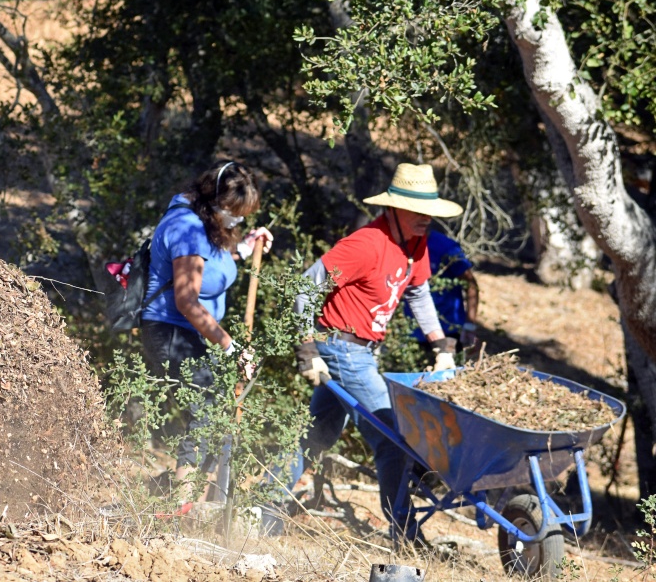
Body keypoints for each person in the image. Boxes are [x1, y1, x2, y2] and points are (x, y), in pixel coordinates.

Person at [293, 163, 462, 544]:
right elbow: (304, 286)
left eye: (430, 213)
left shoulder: (416, 243)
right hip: (341, 347)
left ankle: (263, 503)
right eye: (419, 212)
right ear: (394, 209)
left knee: (317, 432)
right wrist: (307, 347)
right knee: (393, 435)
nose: (426, 220)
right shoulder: (366, 244)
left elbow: (418, 293)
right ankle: (404, 532)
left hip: (363, 351)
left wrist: (440, 345)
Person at [140, 161, 273, 499]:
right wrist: (232, 348)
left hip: (194, 335)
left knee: (218, 411)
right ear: (211, 198)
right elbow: (187, 301)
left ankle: (187, 494)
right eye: (233, 212)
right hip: (171, 331)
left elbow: (214, 262)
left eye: (242, 216)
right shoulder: (186, 228)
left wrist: (245, 246)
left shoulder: (206, 223)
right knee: (208, 410)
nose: (237, 221)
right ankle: (181, 502)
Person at [405, 229, 480, 348]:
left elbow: (470, 284)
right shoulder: (401, 245)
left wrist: (470, 324)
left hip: (448, 330)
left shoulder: (446, 247)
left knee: (446, 364)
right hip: (410, 332)